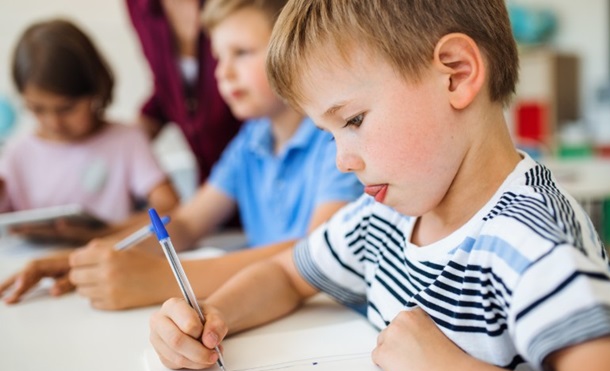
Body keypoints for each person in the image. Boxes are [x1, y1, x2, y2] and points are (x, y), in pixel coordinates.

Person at [149, 0, 610, 371]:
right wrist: (210, 318)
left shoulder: (534, 244)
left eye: (353, 120)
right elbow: (287, 275)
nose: (342, 159)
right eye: (329, 133)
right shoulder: (386, 215)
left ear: (456, 74)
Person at [0, 0, 362, 311]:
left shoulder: (334, 141)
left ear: (291, 51)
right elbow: (185, 225)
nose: (223, 72)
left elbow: (315, 253)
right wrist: (79, 261)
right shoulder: (249, 142)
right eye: (219, 57)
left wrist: (160, 279)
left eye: (242, 53)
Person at [0, 19, 179, 243]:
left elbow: (169, 206)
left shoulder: (126, 141)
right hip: (30, 267)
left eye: (66, 109)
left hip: (108, 260)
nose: (53, 122)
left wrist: (105, 231)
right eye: (37, 109)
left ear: (96, 90)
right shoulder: (17, 153)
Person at [126, 0, 241, 184]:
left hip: (252, 163)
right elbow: (167, 88)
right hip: (211, 179)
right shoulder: (139, 6)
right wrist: (123, 140)